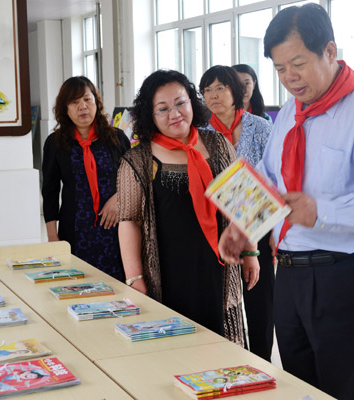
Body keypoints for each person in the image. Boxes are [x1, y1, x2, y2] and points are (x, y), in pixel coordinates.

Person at [218, 4, 354, 400]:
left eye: (298, 64)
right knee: (300, 387)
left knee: (347, 390)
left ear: (330, 51)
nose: (290, 77)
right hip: (289, 273)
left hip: (345, 275)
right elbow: (270, 177)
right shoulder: (291, 111)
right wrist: (243, 226)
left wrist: (321, 212)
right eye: (279, 69)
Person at [117, 69, 260, 346]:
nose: (175, 114)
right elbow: (129, 221)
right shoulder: (137, 160)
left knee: (221, 348)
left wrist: (251, 251)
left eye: (180, 103)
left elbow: (243, 202)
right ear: (150, 115)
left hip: (217, 266)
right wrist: (134, 277)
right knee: (175, 347)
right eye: (163, 109)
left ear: (192, 103)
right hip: (167, 270)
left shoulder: (218, 144)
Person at [199, 65, 275, 361]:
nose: (213, 95)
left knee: (260, 301)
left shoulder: (261, 127)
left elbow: (275, 178)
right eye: (207, 90)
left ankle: (262, 361)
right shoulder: (201, 134)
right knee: (224, 302)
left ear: (236, 91)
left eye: (220, 88)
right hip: (218, 228)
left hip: (258, 225)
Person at [42, 76, 130, 282]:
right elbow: (50, 191)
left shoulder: (117, 137)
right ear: (65, 109)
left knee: (117, 283)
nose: (82, 106)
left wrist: (118, 199)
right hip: (75, 228)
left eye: (87, 99)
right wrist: (52, 236)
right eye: (74, 102)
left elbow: (134, 178)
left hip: (116, 227)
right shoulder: (55, 143)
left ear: (96, 103)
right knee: (78, 284)